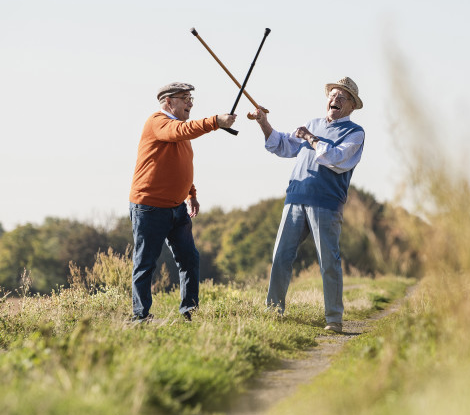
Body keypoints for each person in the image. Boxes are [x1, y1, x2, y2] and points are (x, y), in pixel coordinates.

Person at [250, 77, 365, 333]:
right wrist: (263, 122)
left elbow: (334, 158)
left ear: (351, 106)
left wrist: (312, 138)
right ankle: (273, 311)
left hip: (326, 203)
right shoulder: (312, 123)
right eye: (332, 95)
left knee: (328, 261)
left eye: (342, 97)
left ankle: (333, 319)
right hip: (295, 198)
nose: (335, 99)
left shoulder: (355, 133)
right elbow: (281, 145)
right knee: (281, 256)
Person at [129, 81, 236, 323]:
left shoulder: (179, 128)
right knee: (145, 263)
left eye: (191, 98)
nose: (190, 103)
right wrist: (216, 121)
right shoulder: (158, 122)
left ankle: (189, 312)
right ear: (169, 101)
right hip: (149, 206)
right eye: (184, 97)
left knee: (189, 259)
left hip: (177, 207)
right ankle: (140, 316)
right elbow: (180, 132)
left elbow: (181, 164)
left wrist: (191, 193)